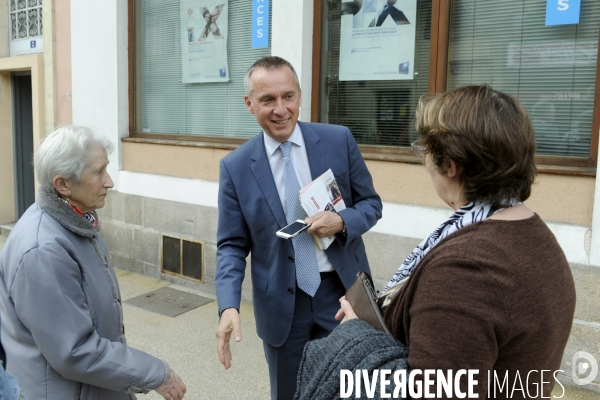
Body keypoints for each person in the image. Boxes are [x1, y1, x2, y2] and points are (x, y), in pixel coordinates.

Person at [295, 85, 576, 399]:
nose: (425, 162)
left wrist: (356, 333)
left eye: (424, 150)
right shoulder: (533, 233)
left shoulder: (465, 270)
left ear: (450, 165)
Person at [215, 56, 382, 400]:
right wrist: (228, 305)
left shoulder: (338, 141)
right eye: (267, 100)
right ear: (249, 104)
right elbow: (231, 244)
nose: (281, 109)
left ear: (300, 96)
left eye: (288, 96)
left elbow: (371, 205)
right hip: (280, 304)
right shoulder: (235, 167)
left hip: (341, 295)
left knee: (350, 390)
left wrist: (341, 220)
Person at [0, 126, 187, 400]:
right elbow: (74, 351)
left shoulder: (77, 221)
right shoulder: (44, 249)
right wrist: (156, 373)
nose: (109, 182)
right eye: (98, 172)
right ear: (63, 185)